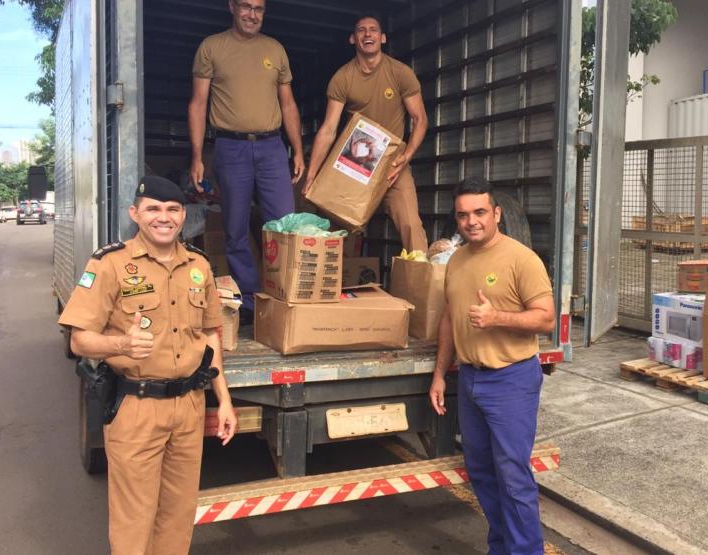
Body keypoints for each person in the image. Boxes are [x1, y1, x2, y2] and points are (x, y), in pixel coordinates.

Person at [58, 176, 238, 554]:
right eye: (153, 208)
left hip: (189, 406)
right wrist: (121, 343)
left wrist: (223, 399)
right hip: (136, 408)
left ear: (183, 216)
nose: (164, 218)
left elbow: (210, 336)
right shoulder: (110, 263)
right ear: (135, 213)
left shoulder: (199, 265)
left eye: (172, 210)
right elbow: (79, 340)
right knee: (134, 518)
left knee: (178, 514)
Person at [429, 177, 555, 555]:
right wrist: (439, 374)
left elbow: (546, 319)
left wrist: (496, 317)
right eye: (463, 215)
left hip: (511, 380)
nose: (472, 222)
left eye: (480, 212)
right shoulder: (456, 260)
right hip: (470, 380)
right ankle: (502, 547)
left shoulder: (522, 259)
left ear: (496, 213)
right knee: (482, 474)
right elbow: (450, 318)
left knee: (514, 479)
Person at [188, 0, 305, 316]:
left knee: (284, 228)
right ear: (231, 7)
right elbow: (198, 104)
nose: (253, 14)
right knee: (235, 229)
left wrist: (297, 149)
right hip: (231, 147)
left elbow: (289, 104)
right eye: (246, 7)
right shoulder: (212, 47)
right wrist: (197, 157)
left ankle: (282, 301)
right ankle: (252, 305)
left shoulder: (275, 49)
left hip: (271, 148)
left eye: (259, 9)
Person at [303, 13, 429, 253]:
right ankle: (333, 285)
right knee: (336, 229)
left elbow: (420, 118)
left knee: (411, 226)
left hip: (393, 164)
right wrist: (312, 175)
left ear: (382, 38)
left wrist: (408, 155)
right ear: (353, 39)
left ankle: (422, 286)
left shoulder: (400, 72)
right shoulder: (342, 78)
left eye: (373, 30)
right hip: (355, 162)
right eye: (361, 30)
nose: (367, 34)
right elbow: (329, 129)